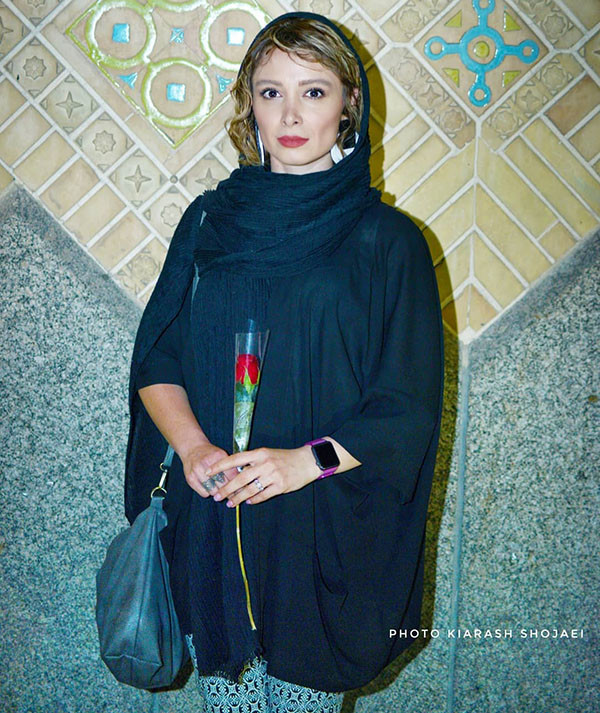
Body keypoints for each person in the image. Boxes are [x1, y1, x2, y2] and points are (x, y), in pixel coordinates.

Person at [125, 10, 444, 713]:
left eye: (314, 92)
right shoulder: (208, 222)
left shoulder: (388, 241)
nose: (291, 114)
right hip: (216, 523)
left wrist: (305, 463)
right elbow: (158, 356)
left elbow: (407, 405)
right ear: (250, 105)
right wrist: (194, 447)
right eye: (272, 92)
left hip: (320, 527)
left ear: (348, 105)